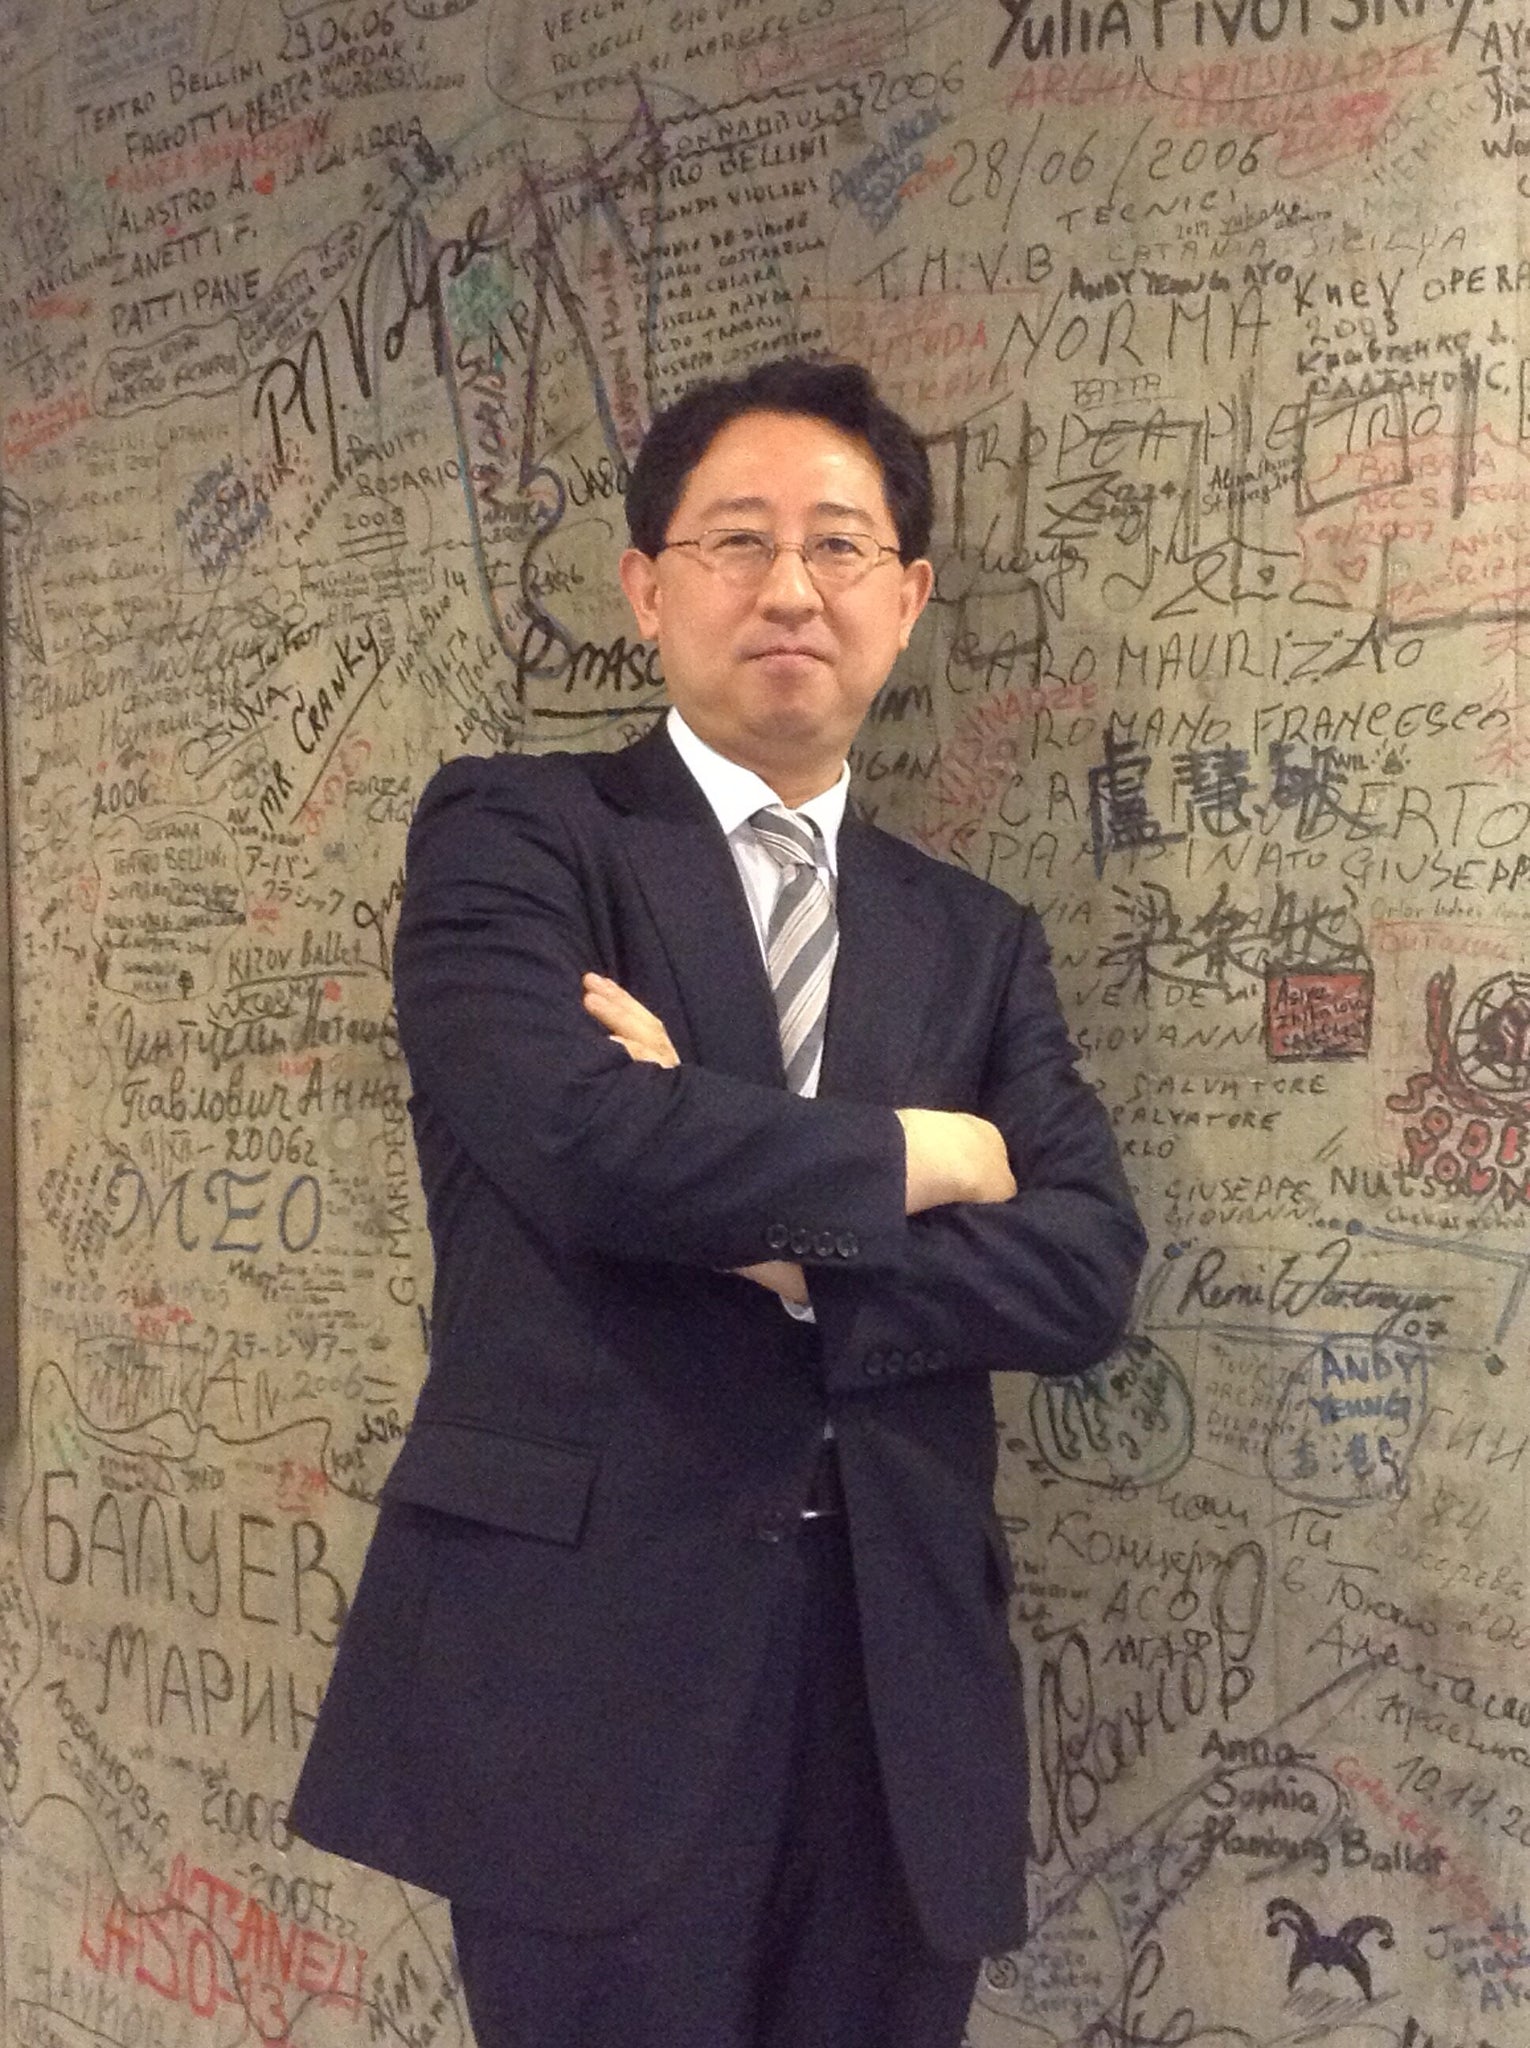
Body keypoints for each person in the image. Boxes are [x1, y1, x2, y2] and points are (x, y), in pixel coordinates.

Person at [290, 356, 1146, 2048]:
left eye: (839, 546)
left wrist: (778, 1236)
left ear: (905, 598)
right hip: (583, 1677)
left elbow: (1084, 1274)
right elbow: (582, 1147)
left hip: (897, 1692)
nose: (788, 588)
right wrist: (940, 1156)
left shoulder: (977, 939)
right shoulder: (519, 835)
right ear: (645, 586)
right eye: (735, 539)